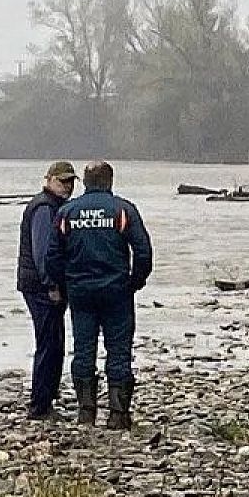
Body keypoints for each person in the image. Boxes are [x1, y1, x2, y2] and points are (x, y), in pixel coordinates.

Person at [45, 161, 152, 430]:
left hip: (80, 292)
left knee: (83, 349)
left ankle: (86, 412)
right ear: (110, 181)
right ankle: (118, 414)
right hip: (117, 291)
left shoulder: (67, 213)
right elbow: (143, 251)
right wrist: (134, 282)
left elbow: (52, 256)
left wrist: (64, 283)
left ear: (84, 181)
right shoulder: (123, 210)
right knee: (118, 350)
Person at [16, 160, 77, 420]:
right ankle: (40, 404)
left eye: (71, 182)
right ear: (49, 179)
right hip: (40, 287)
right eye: (63, 181)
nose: (68, 186)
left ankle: (47, 396)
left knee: (54, 341)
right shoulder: (43, 208)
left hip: (43, 284)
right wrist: (51, 284)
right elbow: (42, 252)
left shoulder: (55, 206)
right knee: (48, 343)